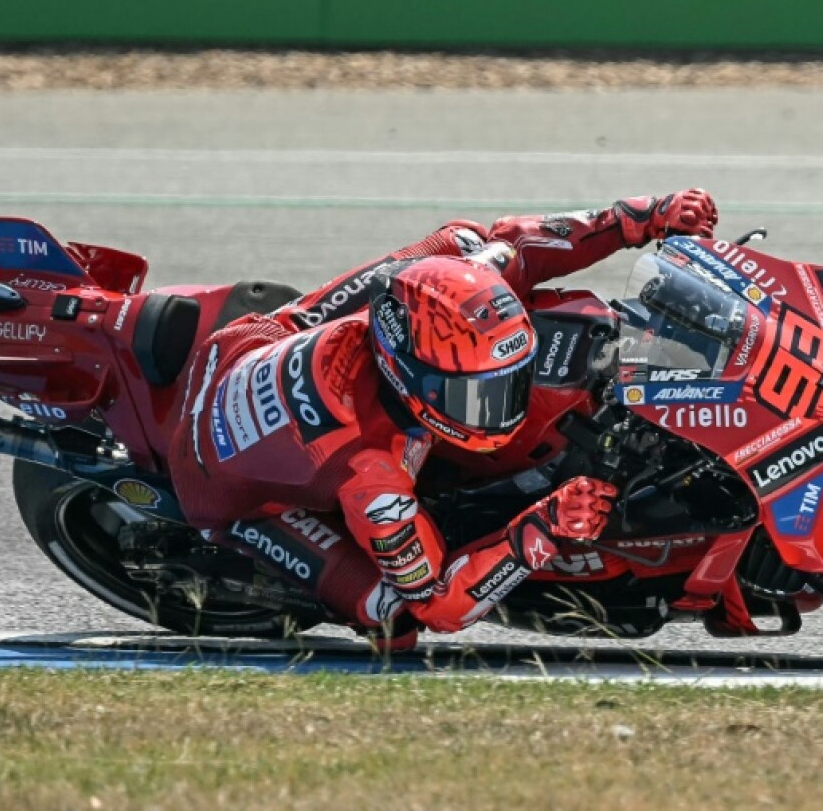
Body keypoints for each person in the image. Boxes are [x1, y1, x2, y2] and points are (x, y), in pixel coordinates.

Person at [167, 190, 718, 648]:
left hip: (256, 339)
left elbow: (522, 243)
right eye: (481, 396)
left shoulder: (463, 276)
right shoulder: (372, 479)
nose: (504, 407)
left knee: (460, 240)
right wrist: (544, 526)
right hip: (223, 485)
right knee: (393, 616)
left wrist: (640, 218)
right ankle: (259, 549)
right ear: (413, 380)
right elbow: (439, 606)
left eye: (511, 382)